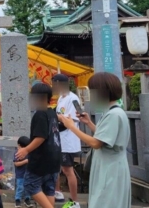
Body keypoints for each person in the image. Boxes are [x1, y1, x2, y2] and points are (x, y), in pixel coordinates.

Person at [57, 72, 131, 208]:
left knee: (105, 202)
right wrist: (89, 123)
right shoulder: (114, 112)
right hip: (110, 166)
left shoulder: (113, 115)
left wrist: (71, 127)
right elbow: (104, 137)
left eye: (93, 91)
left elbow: (96, 143)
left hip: (110, 169)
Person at [16, 83, 62, 208]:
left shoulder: (40, 114)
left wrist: (26, 149)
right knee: (49, 189)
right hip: (55, 159)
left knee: (30, 184)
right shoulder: (51, 112)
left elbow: (41, 137)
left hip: (41, 160)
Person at [52, 74, 82, 207]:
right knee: (56, 167)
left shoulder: (73, 98)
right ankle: (57, 191)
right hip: (59, 138)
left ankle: (75, 201)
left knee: (68, 170)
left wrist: (57, 117)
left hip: (68, 139)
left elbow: (75, 118)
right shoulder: (60, 98)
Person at [14, 136, 33, 208]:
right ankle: (17, 200)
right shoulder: (17, 153)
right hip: (20, 175)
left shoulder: (29, 153)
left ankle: (27, 199)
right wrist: (25, 161)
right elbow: (16, 164)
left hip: (28, 174)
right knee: (20, 187)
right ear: (19, 145)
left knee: (27, 187)